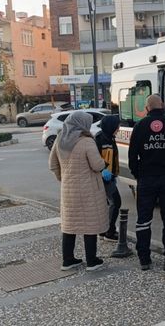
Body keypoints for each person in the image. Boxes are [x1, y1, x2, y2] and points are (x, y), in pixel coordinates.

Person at [128, 94, 165, 271]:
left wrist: (138, 173)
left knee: (144, 219)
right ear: (162, 105)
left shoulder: (140, 126)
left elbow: (132, 155)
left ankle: (144, 258)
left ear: (147, 108)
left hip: (147, 178)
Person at [49, 111, 108, 272]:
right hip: (88, 189)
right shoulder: (86, 141)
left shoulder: (60, 140)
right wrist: (105, 163)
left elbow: (53, 164)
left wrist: (64, 179)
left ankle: (68, 260)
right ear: (82, 124)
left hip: (68, 190)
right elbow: (97, 165)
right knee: (90, 224)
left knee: (70, 226)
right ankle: (92, 261)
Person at [95, 114, 122, 241]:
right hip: (103, 178)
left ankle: (103, 231)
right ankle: (109, 232)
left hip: (109, 176)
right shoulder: (100, 139)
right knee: (116, 202)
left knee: (106, 204)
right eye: (117, 126)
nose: (119, 128)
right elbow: (95, 159)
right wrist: (103, 170)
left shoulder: (110, 137)